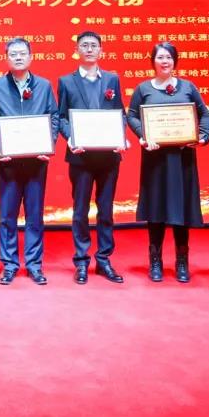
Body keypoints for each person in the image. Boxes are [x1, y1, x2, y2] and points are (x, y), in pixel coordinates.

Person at [125, 41, 209, 284]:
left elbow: (205, 113)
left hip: (182, 159)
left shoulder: (188, 87)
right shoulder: (143, 88)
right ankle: (156, 261)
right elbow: (132, 115)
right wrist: (143, 135)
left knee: (181, 209)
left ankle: (182, 261)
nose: (164, 61)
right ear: (152, 61)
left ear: (175, 61)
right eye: (160, 57)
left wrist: (203, 136)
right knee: (156, 208)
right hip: (155, 159)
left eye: (169, 57)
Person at [0, 37, 59, 286]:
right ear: (7, 58)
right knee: (7, 216)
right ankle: (9, 264)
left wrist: (48, 145)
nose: (18, 57)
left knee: (34, 215)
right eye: (13, 54)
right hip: (8, 161)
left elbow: (53, 117)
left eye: (22, 53)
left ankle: (34, 265)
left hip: (37, 161)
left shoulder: (44, 86)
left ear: (30, 57)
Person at [57, 31, 127, 285]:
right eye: (84, 45)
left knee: (106, 211)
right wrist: (71, 138)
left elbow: (119, 112)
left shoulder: (111, 79)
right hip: (81, 157)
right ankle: (81, 261)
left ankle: (104, 259)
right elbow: (61, 117)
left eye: (93, 45)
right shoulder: (66, 81)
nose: (89, 49)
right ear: (77, 50)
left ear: (101, 51)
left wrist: (121, 137)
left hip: (108, 157)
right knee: (80, 211)